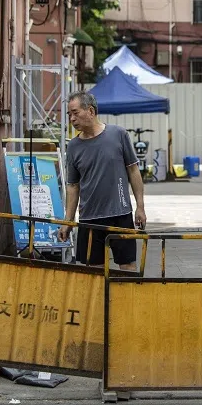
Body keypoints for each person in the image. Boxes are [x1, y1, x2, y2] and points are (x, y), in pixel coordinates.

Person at [57, 91, 146, 272]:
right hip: (89, 218)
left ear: (90, 111)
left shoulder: (118, 134)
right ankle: (101, 302)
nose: (72, 119)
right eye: (69, 115)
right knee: (94, 272)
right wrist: (68, 221)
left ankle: (126, 301)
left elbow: (133, 170)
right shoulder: (73, 146)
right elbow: (73, 186)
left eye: (75, 113)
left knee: (128, 267)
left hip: (120, 214)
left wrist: (140, 206)